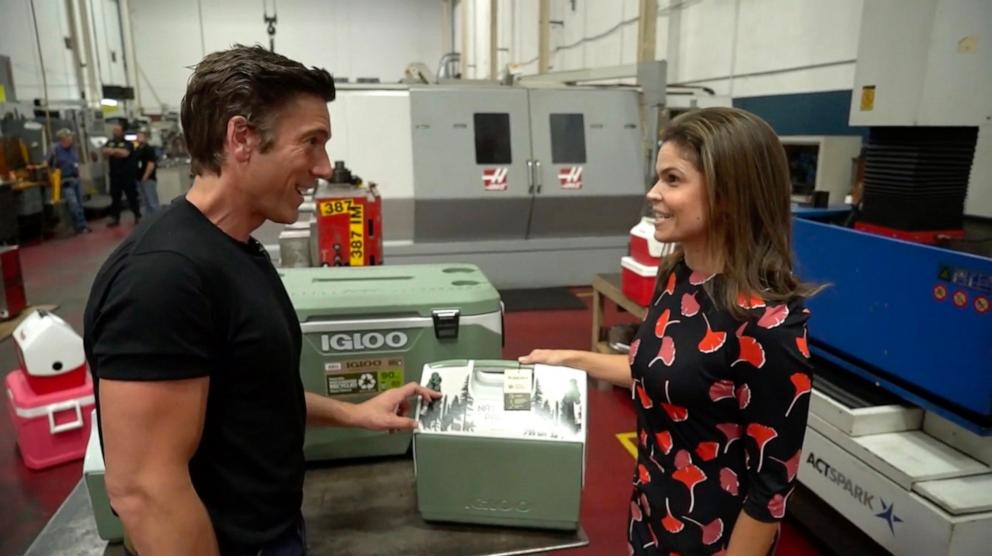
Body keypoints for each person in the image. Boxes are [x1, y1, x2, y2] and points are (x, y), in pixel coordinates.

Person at [83, 45, 440, 555]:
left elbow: (246, 389)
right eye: (311, 143)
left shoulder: (236, 249)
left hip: (276, 530)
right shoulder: (163, 277)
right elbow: (145, 490)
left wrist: (354, 414)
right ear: (242, 139)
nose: (324, 167)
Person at [521, 107, 817, 555]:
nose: (653, 193)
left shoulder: (765, 324)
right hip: (650, 521)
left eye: (673, 180)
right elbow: (667, 372)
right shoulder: (679, 276)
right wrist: (569, 359)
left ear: (729, 195)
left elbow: (770, 492)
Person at [47, 128, 91, 233]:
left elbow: (75, 162)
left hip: (75, 178)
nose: (71, 139)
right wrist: (52, 178)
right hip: (65, 180)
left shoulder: (72, 149)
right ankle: (80, 225)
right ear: (63, 139)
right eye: (69, 137)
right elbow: (47, 164)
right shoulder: (55, 150)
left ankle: (82, 225)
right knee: (74, 205)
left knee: (80, 204)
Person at [102, 124, 141, 226]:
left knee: (131, 196)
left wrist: (113, 151)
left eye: (118, 130)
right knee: (115, 198)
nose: (115, 132)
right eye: (114, 130)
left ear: (122, 132)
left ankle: (137, 215)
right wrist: (116, 152)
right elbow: (104, 151)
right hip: (115, 176)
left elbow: (125, 153)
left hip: (127, 175)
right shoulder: (110, 142)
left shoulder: (128, 143)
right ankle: (115, 218)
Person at [134, 130, 160, 215]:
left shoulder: (149, 149)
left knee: (152, 202)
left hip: (148, 179)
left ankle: (157, 221)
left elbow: (151, 164)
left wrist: (145, 176)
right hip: (139, 179)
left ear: (145, 138)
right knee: (144, 202)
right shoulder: (137, 149)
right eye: (137, 136)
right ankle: (148, 222)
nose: (138, 138)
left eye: (140, 136)